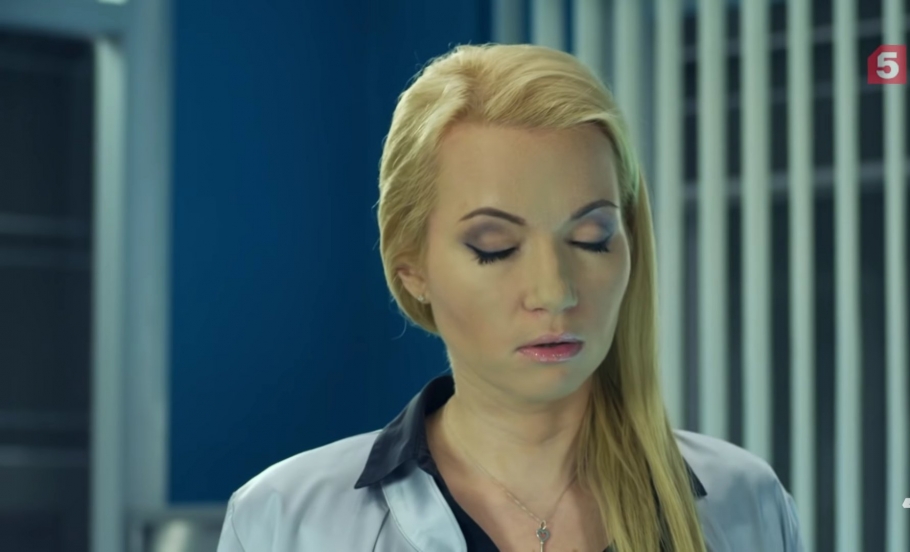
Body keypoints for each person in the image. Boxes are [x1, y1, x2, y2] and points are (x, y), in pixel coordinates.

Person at [216, 42, 804, 552]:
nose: (554, 291)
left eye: (591, 238)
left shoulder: (745, 504)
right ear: (412, 268)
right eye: (494, 247)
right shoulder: (286, 519)